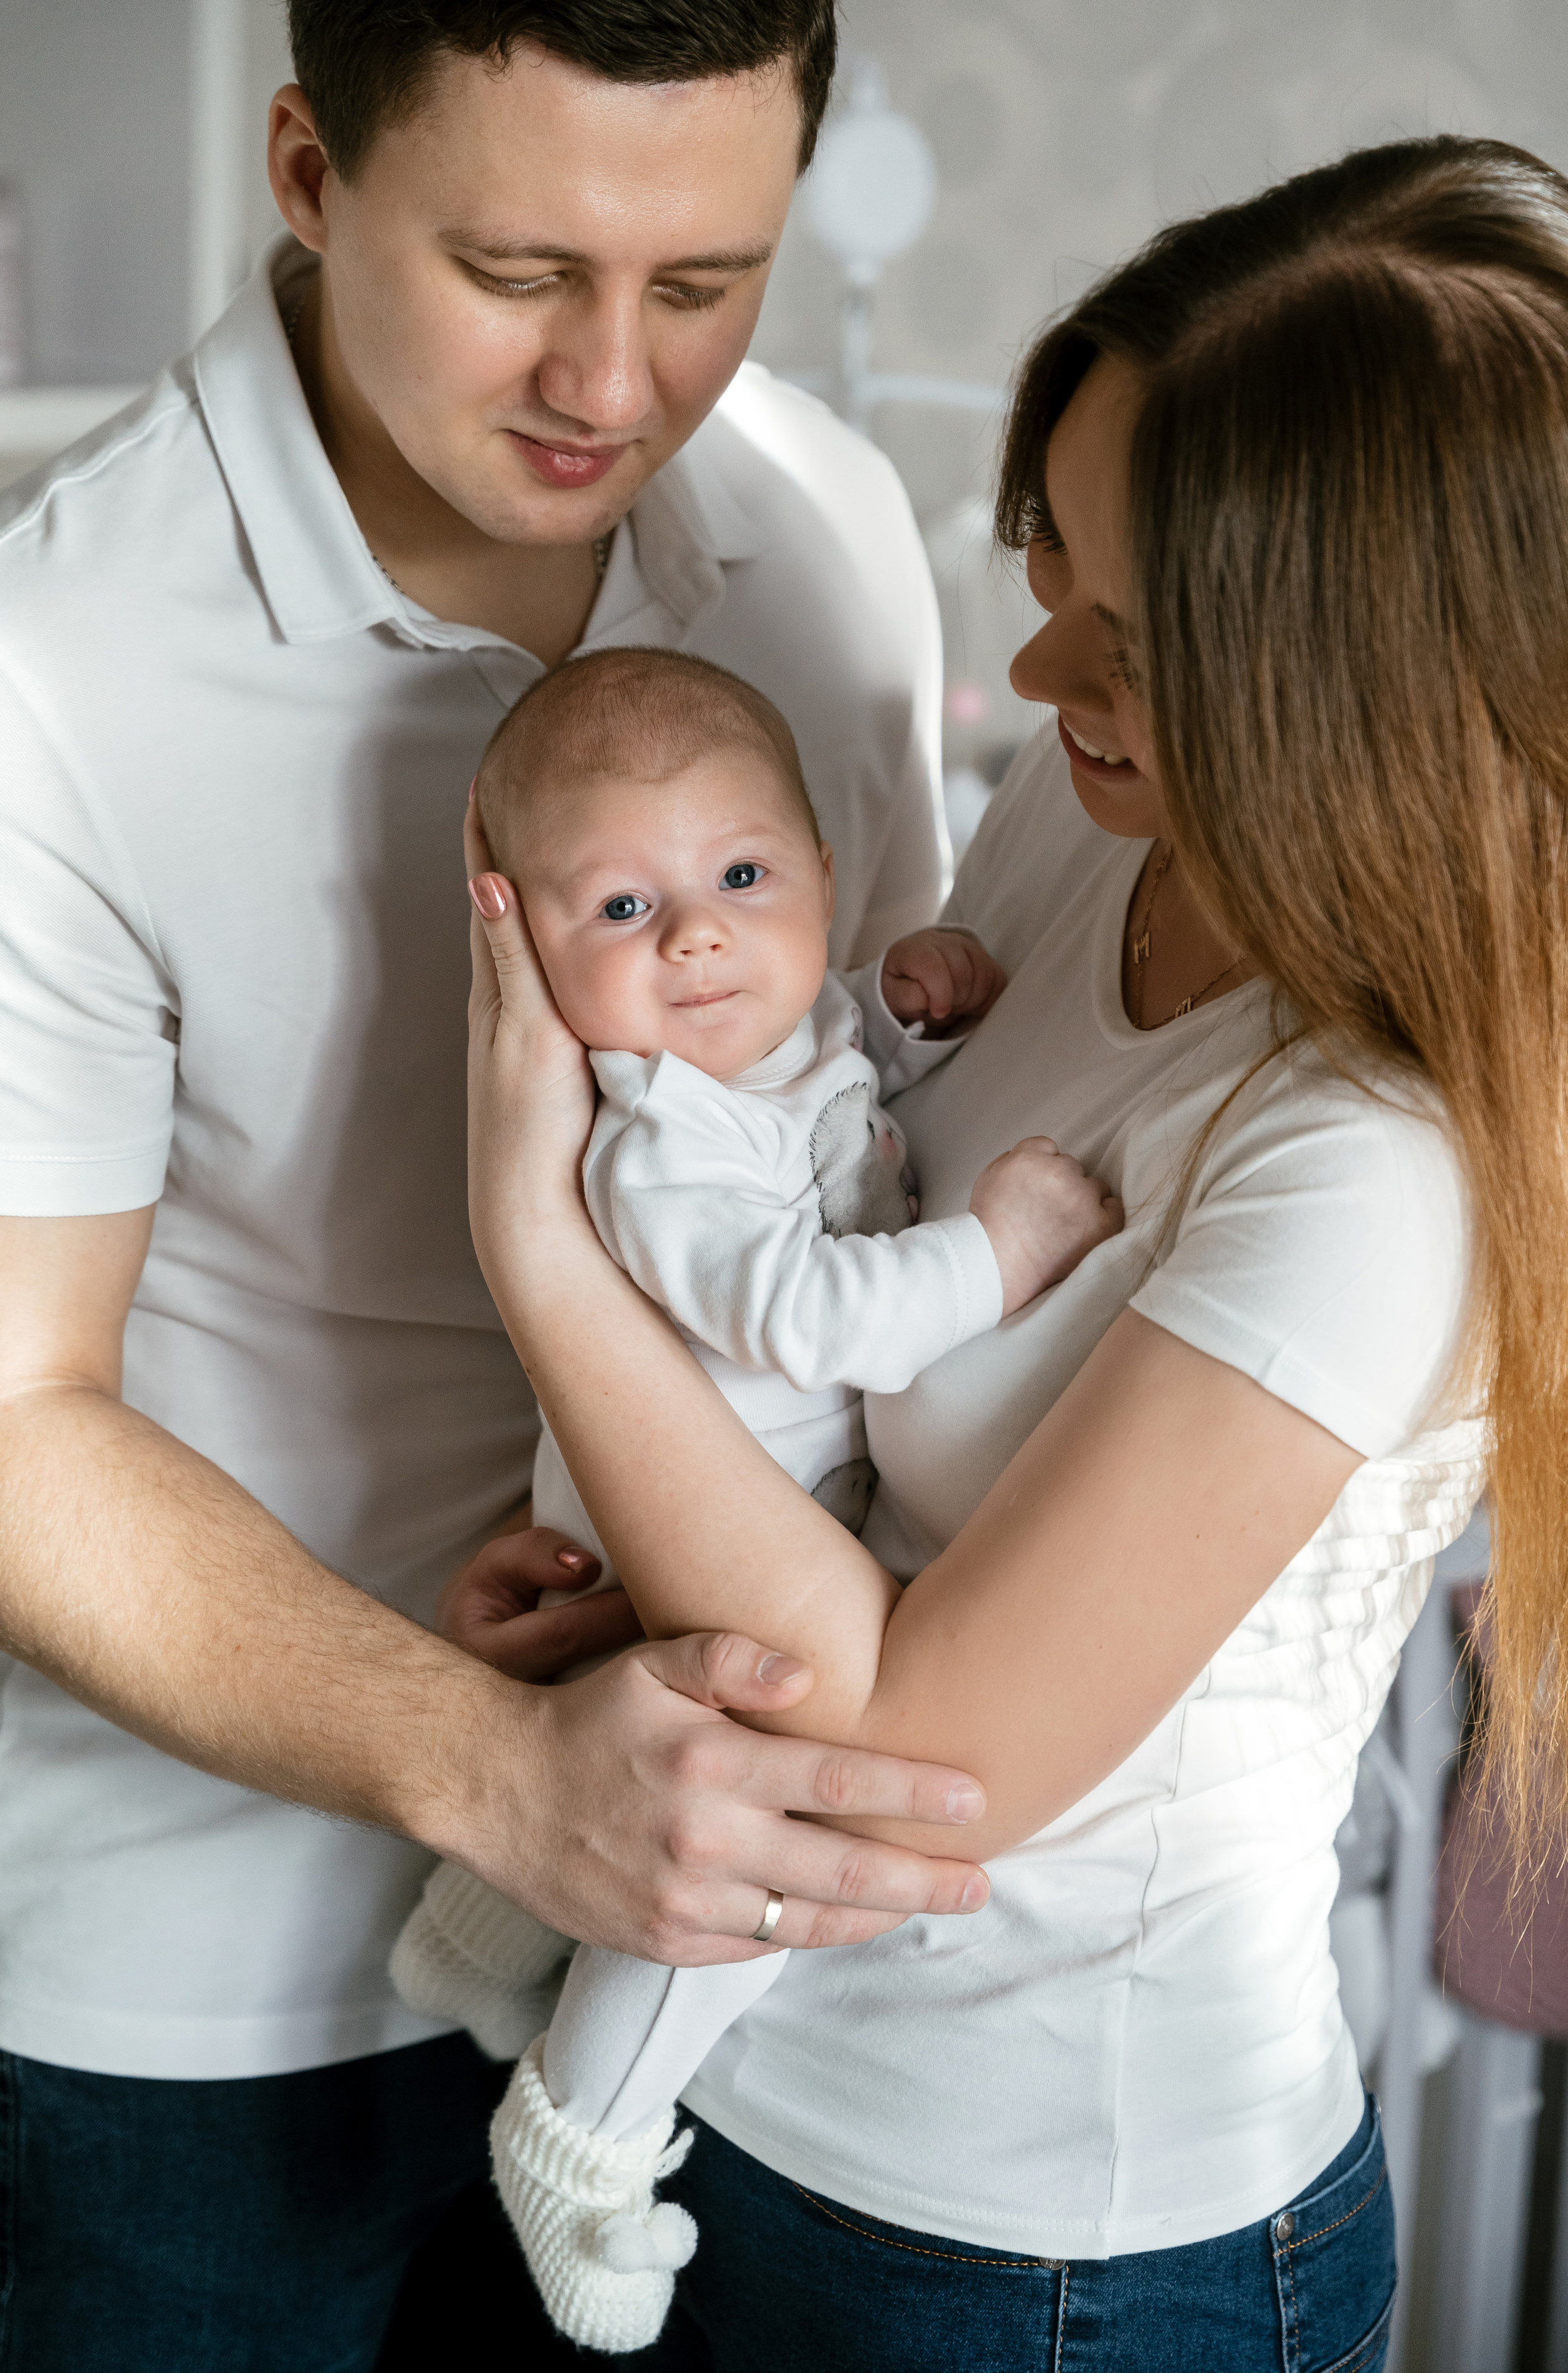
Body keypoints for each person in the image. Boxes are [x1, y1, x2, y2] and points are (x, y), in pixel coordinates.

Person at [458, 133, 1568, 2369]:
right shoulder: (1088, 838)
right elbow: (836, 1265)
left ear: (1347, 689)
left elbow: (922, 1755)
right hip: (744, 2096)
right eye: (1059, 553)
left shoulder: (1371, 1164)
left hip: (1051, 2250)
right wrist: (611, 1567)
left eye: (1134, 631)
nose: (1041, 648)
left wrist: (541, 1250)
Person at [0, 0, 995, 2366]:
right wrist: (502, 1769)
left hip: (726, 1963)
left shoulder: (826, 534)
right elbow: (13, 1409)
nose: (612, 378)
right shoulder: (58, 666)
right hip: (194, 1996)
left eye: (701, 280)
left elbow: (869, 1116)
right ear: (309, 170)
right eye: (520, 267)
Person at [384, 645, 1120, 2349]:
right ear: (524, 951)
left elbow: (852, 1108)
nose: (695, 937)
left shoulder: (790, 1041)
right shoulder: (656, 1138)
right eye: (622, 907)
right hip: (708, 1552)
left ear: (825, 877)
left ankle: (480, 1931)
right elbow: (809, 1307)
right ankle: (581, 2131)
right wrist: (997, 1251)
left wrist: (907, 1005)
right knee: (738, 1860)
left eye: (738, 878)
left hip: (715, 1538)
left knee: (650, 1763)